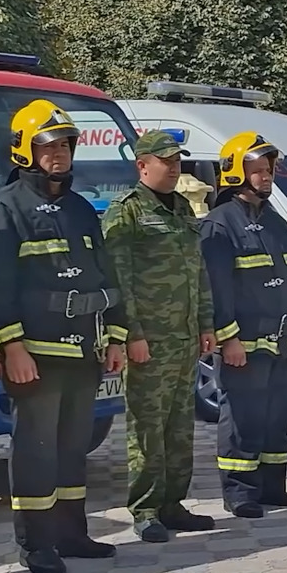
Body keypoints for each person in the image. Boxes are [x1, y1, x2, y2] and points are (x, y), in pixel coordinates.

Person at [0, 100, 126, 573]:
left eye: (64, 144)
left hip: (85, 349)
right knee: (35, 450)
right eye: (47, 146)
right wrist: (11, 346)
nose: (58, 154)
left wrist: (116, 335)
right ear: (24, 149)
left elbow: (107, 274)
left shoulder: (80, 208)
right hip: (35, 354)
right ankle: (36, 544)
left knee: (72, 447)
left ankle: (71, 534)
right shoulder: (5, 208)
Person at [101, 130, 218, 543]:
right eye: (165, 161)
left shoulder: (184, 209)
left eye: (177, 161)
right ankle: (146, 508)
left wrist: (206, 324)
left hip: (185, 337)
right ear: (142, 165)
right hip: (149, 338)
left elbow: (197, 273)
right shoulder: (126, 212)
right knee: (148, 427)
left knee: (180, 425)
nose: (173, 168)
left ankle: (173, 503)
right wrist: (131, 333)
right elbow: (120, 280)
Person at [200, 132, 287, 519]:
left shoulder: (276, 223)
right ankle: (240, 491)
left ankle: (271, 486)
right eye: (257, 171)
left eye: (268, 170)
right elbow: (217, 287)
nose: (266, 177)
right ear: (235, 173)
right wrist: (228, 337)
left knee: (276, 417)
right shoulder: (219, 224)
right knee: (242, 418)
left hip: (280, 340)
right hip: (243, 343)